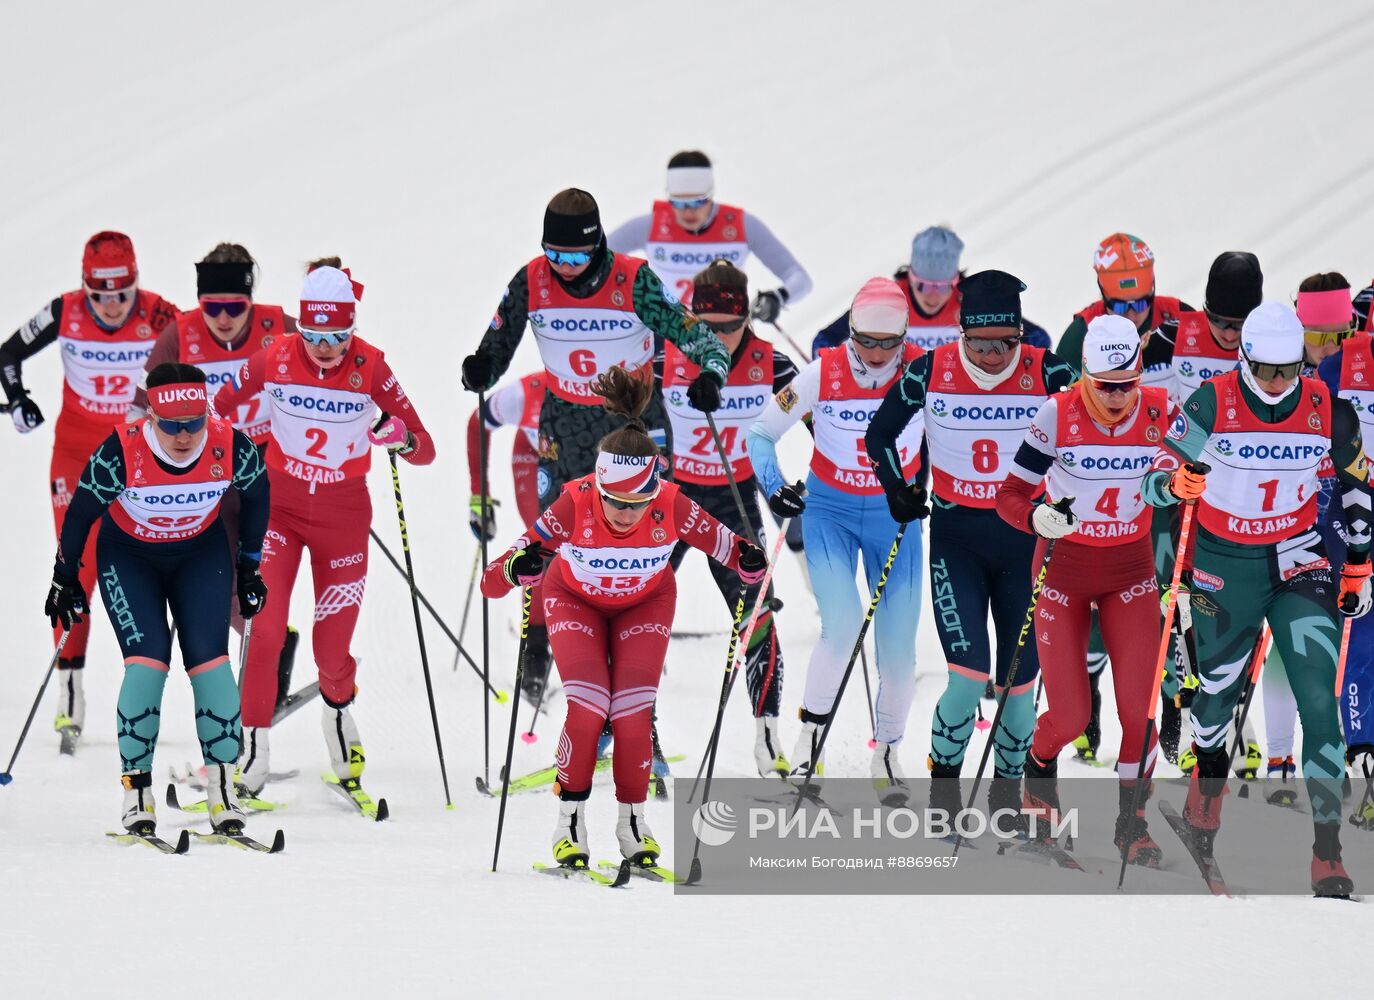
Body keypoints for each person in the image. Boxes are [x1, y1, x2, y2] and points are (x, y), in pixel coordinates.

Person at [480, 367, 767, 868]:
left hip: (645, 604)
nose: (623, 513)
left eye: (637, 502)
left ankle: (633, 822)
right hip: (576, 602)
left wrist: (749, 558)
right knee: (589, 705)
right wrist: (516, 567)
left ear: (654, 490)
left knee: (634, 710)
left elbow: (730, 546)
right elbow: (492, 579)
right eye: (613, 500)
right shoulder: (575, 500)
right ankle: (569, 822)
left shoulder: (672, 502)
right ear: (599, 486)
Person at [462, 188, 729, 698]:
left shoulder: (632, 279)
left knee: (633, 537)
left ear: (599, 245)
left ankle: (629, 669)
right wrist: (481, 368)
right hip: (563, 422)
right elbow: (496, 346)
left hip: (629, 420)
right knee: (550, 540)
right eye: (553, 253)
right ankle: (539, 650)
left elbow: (694, 333)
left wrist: (712, 372)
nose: (562, 266)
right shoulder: (532, 280)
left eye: (575, 256)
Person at [1155, 301, 1371, 897]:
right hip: (1225, 565)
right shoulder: (1212, 400)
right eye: (1267, 370)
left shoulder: (1326, 405)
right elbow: (1156, 476)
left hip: (1298, 561)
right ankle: (1204, 815)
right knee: (1217, 700)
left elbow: (1358, 486)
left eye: (1290, 369)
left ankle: (1327, 853)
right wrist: (1175, 482)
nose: (1279, 383)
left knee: (1318, 701)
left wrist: (1358, 564)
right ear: (1244, 358)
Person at [213, 261, 435, 799]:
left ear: (352, 328)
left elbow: (424, 448)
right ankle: (252, 749)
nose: (326, 348)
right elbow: (218, 409)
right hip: (280, 512)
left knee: (329, 650)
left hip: (343, 517)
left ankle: (338, 718)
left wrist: (399, 434)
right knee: (263, 630)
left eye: (338, 336)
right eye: (314, 335)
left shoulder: (372, 367)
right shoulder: (276, 357)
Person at [866, 270, 1076, 820]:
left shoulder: (1049, 370)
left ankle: (1007, 799)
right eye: (977, 344)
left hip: (1026, 546)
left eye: (1003, 344)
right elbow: (879, 433)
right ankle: (943, 796)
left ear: (1021, 336)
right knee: (969, 677)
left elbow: (1096, 427)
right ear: (960, 334)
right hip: (956, 541)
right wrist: (898, 489)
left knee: (1020, 686)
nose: (989, 356)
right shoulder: (930, 369)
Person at [43, 364, 268, 833]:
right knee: (147, 664)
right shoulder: (122, 450)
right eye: (170, 425)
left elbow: (258, 493)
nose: (183, 436)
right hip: (130, 559)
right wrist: (65, 577)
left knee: (212, 665)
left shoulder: (230, 444)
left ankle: (223, 789)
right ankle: (137, 790)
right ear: (151, 418)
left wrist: (249, 566)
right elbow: (81, 514)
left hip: (199, 556)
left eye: (193, 423)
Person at [997, 315, 1188, 866]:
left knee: (1137, 710)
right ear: (1084, 375)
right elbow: (1008, 496)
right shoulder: (1055, 414)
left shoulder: (1158, 409)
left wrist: (1182, 483)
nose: (1117, 397)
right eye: (1105, 385)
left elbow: (1185, 474)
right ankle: (1037, 774)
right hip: (1062, 574)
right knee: (1073, 717)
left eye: (1127, 383)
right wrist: (1037, 518)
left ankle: (1133, 824)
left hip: (1129, 572)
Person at [747, 277, 925, 804]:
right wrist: (775, 489)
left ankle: (889, 750)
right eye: (862, 340)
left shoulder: (924, 369)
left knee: (897, 655)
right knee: (842, 624)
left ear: (904, 337)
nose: (872, 354)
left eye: (885, 344)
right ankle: (810, 740)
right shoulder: (824, 369)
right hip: (831, 512)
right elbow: (760, 433)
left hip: (894, 518)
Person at [1, 231, 179, 752]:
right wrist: (17, 401)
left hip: (137, 457)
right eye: (100, 296)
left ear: (136, 286)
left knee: (147, 566)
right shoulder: (64, 311)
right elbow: (7, 355)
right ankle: (70, 685)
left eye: (121, 295)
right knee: (75, 565)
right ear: (85, 289)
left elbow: (202, 353)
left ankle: (154, 689)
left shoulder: (160, 313)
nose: (112, 306)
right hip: (77, 457)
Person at [128, 243, 302, 701]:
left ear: (251, 300)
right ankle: (265, 656)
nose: (223, 318)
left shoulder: (278, 327)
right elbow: (141, 410)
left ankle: (266, 661)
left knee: (262, 570)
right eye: (212, 307)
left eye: (235, 307)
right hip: (210, 477)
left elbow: (323, 368)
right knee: (223, 579)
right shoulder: (178, 336)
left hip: (271, 467)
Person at [658, 259, 799, 777]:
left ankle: (768, 737)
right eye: (705, 327)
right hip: (669, 497)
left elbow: (818, 420)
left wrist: (794, 485)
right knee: (628, 605)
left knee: (757, 612)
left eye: (728, 327)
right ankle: (629, 732)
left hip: (733, 500)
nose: (717, 337)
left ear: (747, 318)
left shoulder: (772, 363)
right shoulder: (666, 353)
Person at [606, 149, 812, 316]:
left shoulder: (741, 225)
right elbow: (594, 258)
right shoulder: (649, 226)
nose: (689, 211)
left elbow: (800, 278)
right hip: (669, 331)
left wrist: (778, 297)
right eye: (679, 203)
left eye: (698, 201)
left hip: (725, 332)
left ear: (711, 194)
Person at [810, 226, 1053, 356]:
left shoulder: (971, 301)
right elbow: (824, 341)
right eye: (923, 284)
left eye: (943, 286)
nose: (932, 295)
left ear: (957, 281)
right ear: (909, 276)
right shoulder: (888, 301)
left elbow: (1039, 339)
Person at [467, 369, 550, 703]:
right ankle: (536, 654)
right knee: (542, 543)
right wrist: (479, 495)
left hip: (584, 459)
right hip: (533, 458)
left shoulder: (606, 385)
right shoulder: (525, 392)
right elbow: (477, 423)